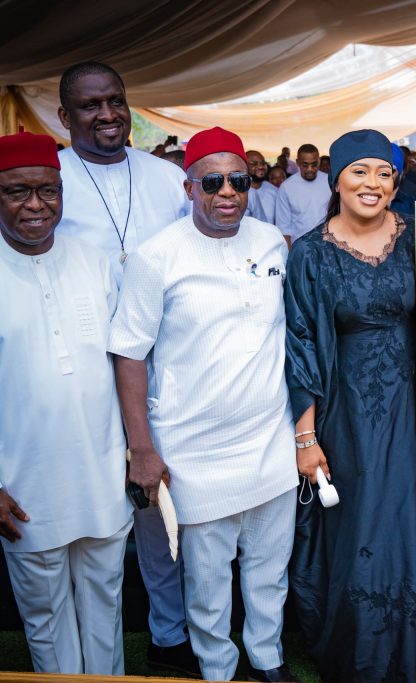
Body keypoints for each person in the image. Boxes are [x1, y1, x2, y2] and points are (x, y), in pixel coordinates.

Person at [109, 127, 298, 682]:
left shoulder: (270, 242)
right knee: (208, 579)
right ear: (189, 187)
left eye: (238, 181)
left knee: (269, 569)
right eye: (211, 182)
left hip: (269, 438)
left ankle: (268, 660)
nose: (226, 193)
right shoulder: (155, 256)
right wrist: (141, 447)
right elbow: (129, 355)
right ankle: (218, 668)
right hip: (193, 448)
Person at [52, 60, 195, 675]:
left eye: (115, 100)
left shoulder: (168, 177)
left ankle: (171, 637)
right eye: (90, 105)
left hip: (164, 364)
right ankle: (82, 649)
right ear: (64, 117)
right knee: (94, 511)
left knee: (158, 502)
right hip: (76, 368)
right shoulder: (47, 177)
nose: (107, 114)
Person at [284, 129, 416, 682]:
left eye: (383, 173)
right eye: (359, 171)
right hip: (348, 412)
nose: (372, 183)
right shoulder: (312, 254)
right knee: (362, 524)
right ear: (336, 178)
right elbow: (299, 344)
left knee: (411, 524)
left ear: (395, 182)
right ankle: (363, 655)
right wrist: (305, 437)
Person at [0, 131, 133, 675]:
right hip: (24, 484)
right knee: (45, 615)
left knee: (107, 605)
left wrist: (134, 452)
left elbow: (124, 360)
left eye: (48, 191)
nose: (35, 205)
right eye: (16, 192)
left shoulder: (94, 260)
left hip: (100, 471)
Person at [275, 143, 330, 245]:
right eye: (305, 165)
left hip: (327, 246)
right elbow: (283, 228)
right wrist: (290, 255)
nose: (310, 169)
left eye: (314, 164)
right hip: (300, 247)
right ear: (297, 162)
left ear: (319, 161)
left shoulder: (329, 181)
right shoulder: (286, 187)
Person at [245, 150, 277, 226]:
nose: (261, 167)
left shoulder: (274, 191)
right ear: (243, 165)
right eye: (254, 164)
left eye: (263, 163)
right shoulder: (237, 192)